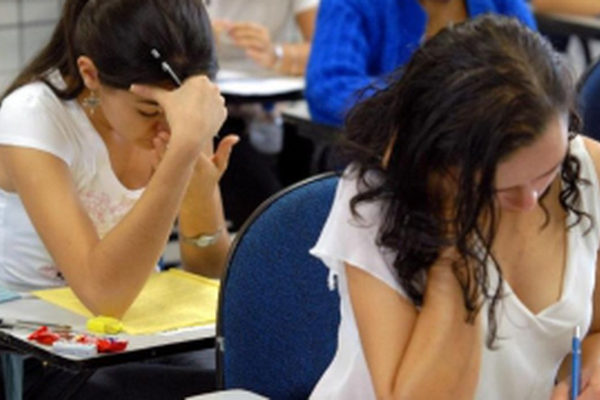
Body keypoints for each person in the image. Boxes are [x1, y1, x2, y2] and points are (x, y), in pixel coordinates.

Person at [310, 15, 600, 400]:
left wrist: (592, 372)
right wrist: (456, 244)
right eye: (505, 188)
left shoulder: (587, 169)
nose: (530, 202)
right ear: (438, 164)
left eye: (547, 172)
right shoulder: (377, 199)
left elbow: (593, 331)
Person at [0, 0, 237, 398]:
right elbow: (103, 294)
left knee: (242, 372)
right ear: (90, 73)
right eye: (148, 110)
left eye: (181, 115)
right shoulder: (33, 115)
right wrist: (180, 156)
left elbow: (208, 276)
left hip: (137, 332)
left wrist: (197, 193)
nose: (167, 125)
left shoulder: (181, 115)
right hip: (37, 349)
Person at [305, 0, 537, 127]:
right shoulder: (353, 4)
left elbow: (538, 76)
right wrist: (432, 101)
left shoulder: (503, 4)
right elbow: (328, 87)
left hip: (497, 160)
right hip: (386, 172)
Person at [207, 0, 320, 230]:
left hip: (271, 104)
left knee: (309, 171)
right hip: (211, 104)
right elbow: (154, 47)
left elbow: (323, 49)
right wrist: (198, 38)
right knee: (263, 199)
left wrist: (278, 54)